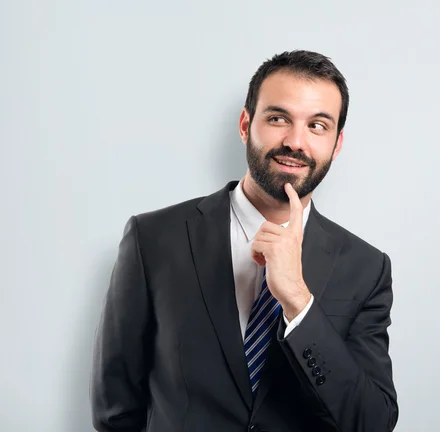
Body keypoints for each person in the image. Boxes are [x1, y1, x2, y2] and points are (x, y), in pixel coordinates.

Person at [90, 50, 398, 432]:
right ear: (245, 124)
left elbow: (372, 422)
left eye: (317, 126)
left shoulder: (367, 269)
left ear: (336, 144)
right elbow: (116, 408)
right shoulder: (152, 240)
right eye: (278, 118)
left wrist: (299, 304)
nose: (295, 142)